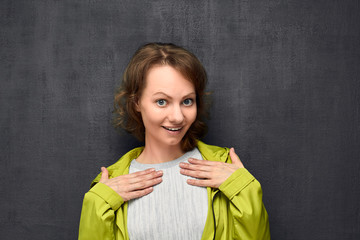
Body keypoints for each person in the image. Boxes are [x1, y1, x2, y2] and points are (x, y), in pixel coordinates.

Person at [78, 43, 270, 240]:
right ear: (136, 102)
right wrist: (96, 205)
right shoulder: (112, 183)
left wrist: (245, 189)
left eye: (187, 101)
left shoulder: (223, 168)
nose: (177, 117)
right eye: (162, 101)